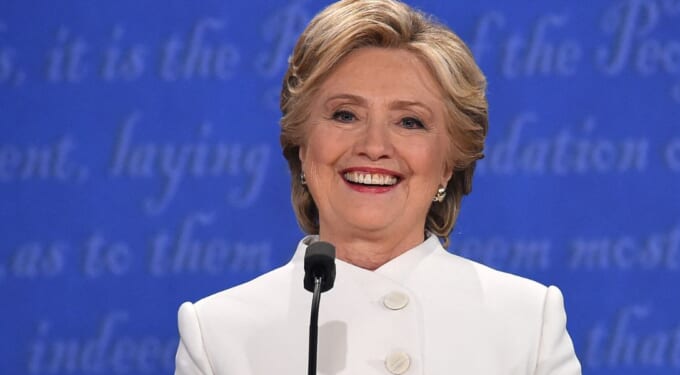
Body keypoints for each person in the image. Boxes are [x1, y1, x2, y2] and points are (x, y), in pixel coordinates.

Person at [174, 0, 582, 374]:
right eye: (345, 115)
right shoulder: (217, 334)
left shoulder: (528, 323)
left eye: (410, 122)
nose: (373, 147)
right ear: (301, 146)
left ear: (448, 165)